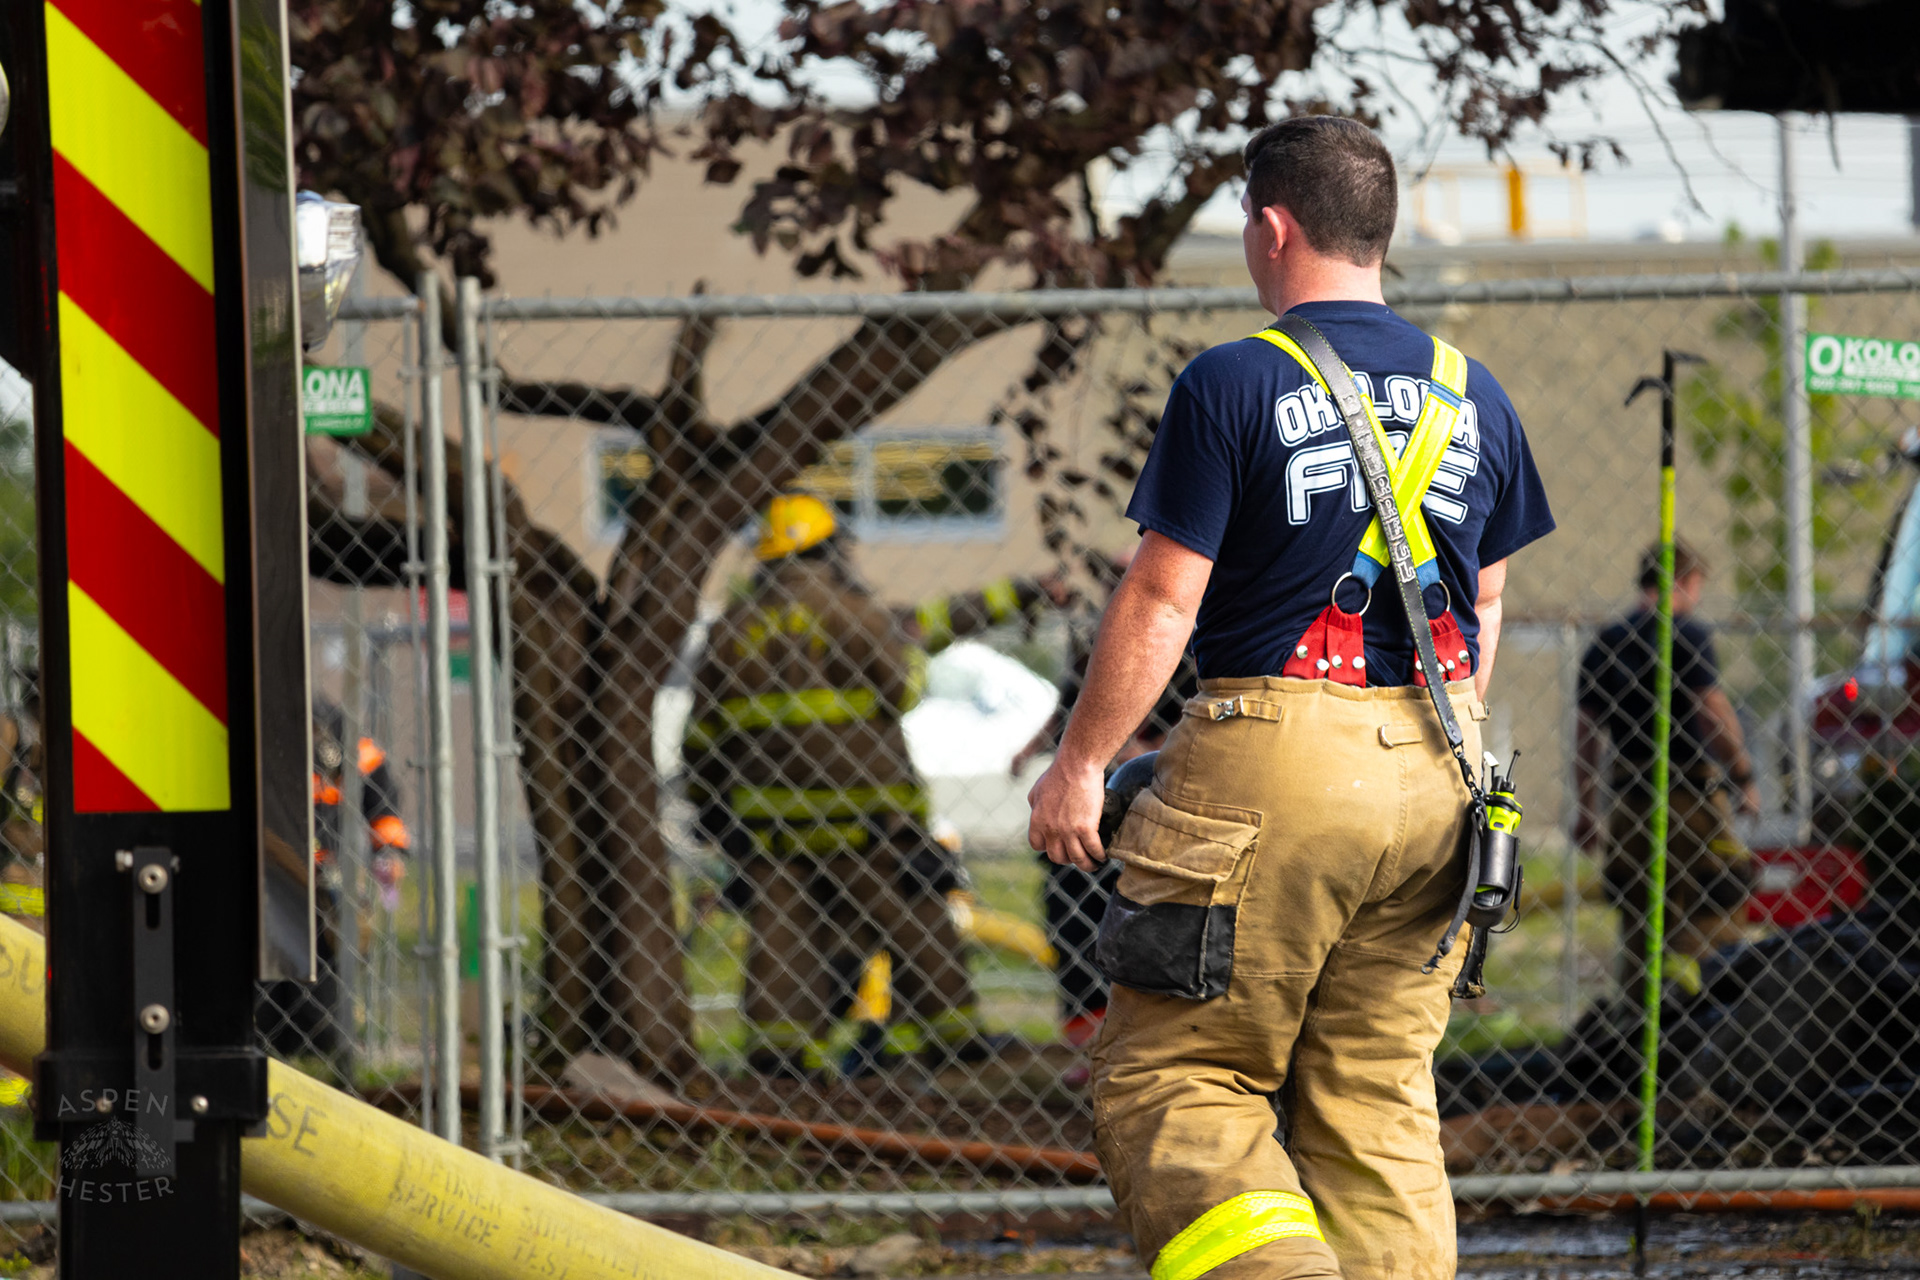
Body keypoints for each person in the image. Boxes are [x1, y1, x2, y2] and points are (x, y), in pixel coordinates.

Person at [1026, 115, 1555, 1278]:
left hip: (1272, 760)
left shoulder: (1235, 381)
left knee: (1178, 1074)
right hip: (1443, 768)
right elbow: (1491, 598)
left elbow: (1165, 595)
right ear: (1379, 232)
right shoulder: (1480, 395)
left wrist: (1078, 763)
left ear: (1272, 227)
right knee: (1375, 1097)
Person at [685, 492, 1057, 1077]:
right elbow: (903, 686)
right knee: (914, 921)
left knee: (784, 937)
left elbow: (701, 739)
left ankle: (781, 1059)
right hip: (866, 819)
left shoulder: (732, 629)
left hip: (768, 827)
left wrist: (714, 817)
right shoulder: (851, 613)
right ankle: (948, 1043)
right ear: (828, 548)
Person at [1011, 544, 1198, 1050]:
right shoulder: (1099, 633)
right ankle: (1085, 1035)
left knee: (1133, 911)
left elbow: (1194, 707)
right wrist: (1036, 747)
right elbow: (1072, 698)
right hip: (1087, 789)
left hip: (1145, 792)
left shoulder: (1184, 637)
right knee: (1069, 908)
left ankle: (1131, 1035)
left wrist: (1144, 746)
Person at [1574, 541, 1756, 1001]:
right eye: (1696, 586)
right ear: (1684, 581)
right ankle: (1712, 1009)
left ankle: (1640, 1020)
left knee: (1641, 914)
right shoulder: (1686, 634)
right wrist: (1743, 774)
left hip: (1629, 798)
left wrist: (1587, 808)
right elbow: (1711, 709)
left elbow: (1586, 733)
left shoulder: (1608, 643)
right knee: (1716, 899)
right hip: (1690, 794)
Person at [257, 699, 411, 1062]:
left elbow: (383, 801)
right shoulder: (262, 734)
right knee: (266, 970)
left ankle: (326, 1052)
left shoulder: (343, 738)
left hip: (324, 880)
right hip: (269, 874)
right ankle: (268, 1048)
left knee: (324, 969)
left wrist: (388, 852)